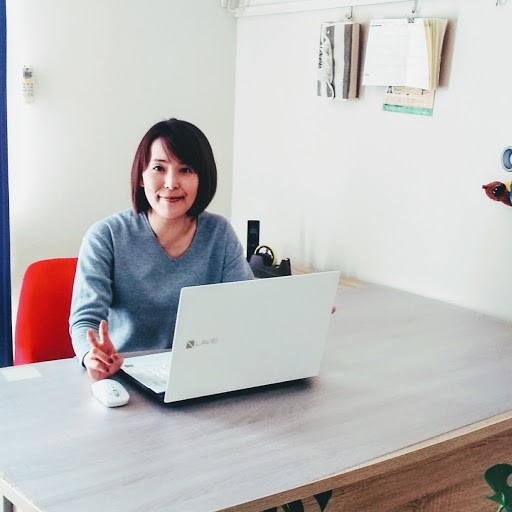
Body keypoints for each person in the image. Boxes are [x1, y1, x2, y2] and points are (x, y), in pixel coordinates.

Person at [69, 118, 254, 381]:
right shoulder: (106, 236)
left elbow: (246, 307)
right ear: (141, 176)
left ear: (202, 178)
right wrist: (92, 356)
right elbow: (85, 321)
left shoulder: (219, 233)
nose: (171, 183)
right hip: (124, 374)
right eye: (159, 168)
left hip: (199, 373)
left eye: (186, 170)